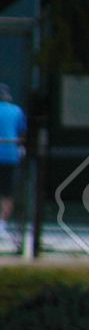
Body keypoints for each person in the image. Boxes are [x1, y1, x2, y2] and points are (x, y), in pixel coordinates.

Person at [0, 84, 24, 240]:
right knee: (7, 192)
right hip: (10, 155)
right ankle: (2, 224)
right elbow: (21, 134)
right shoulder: (17, 111)